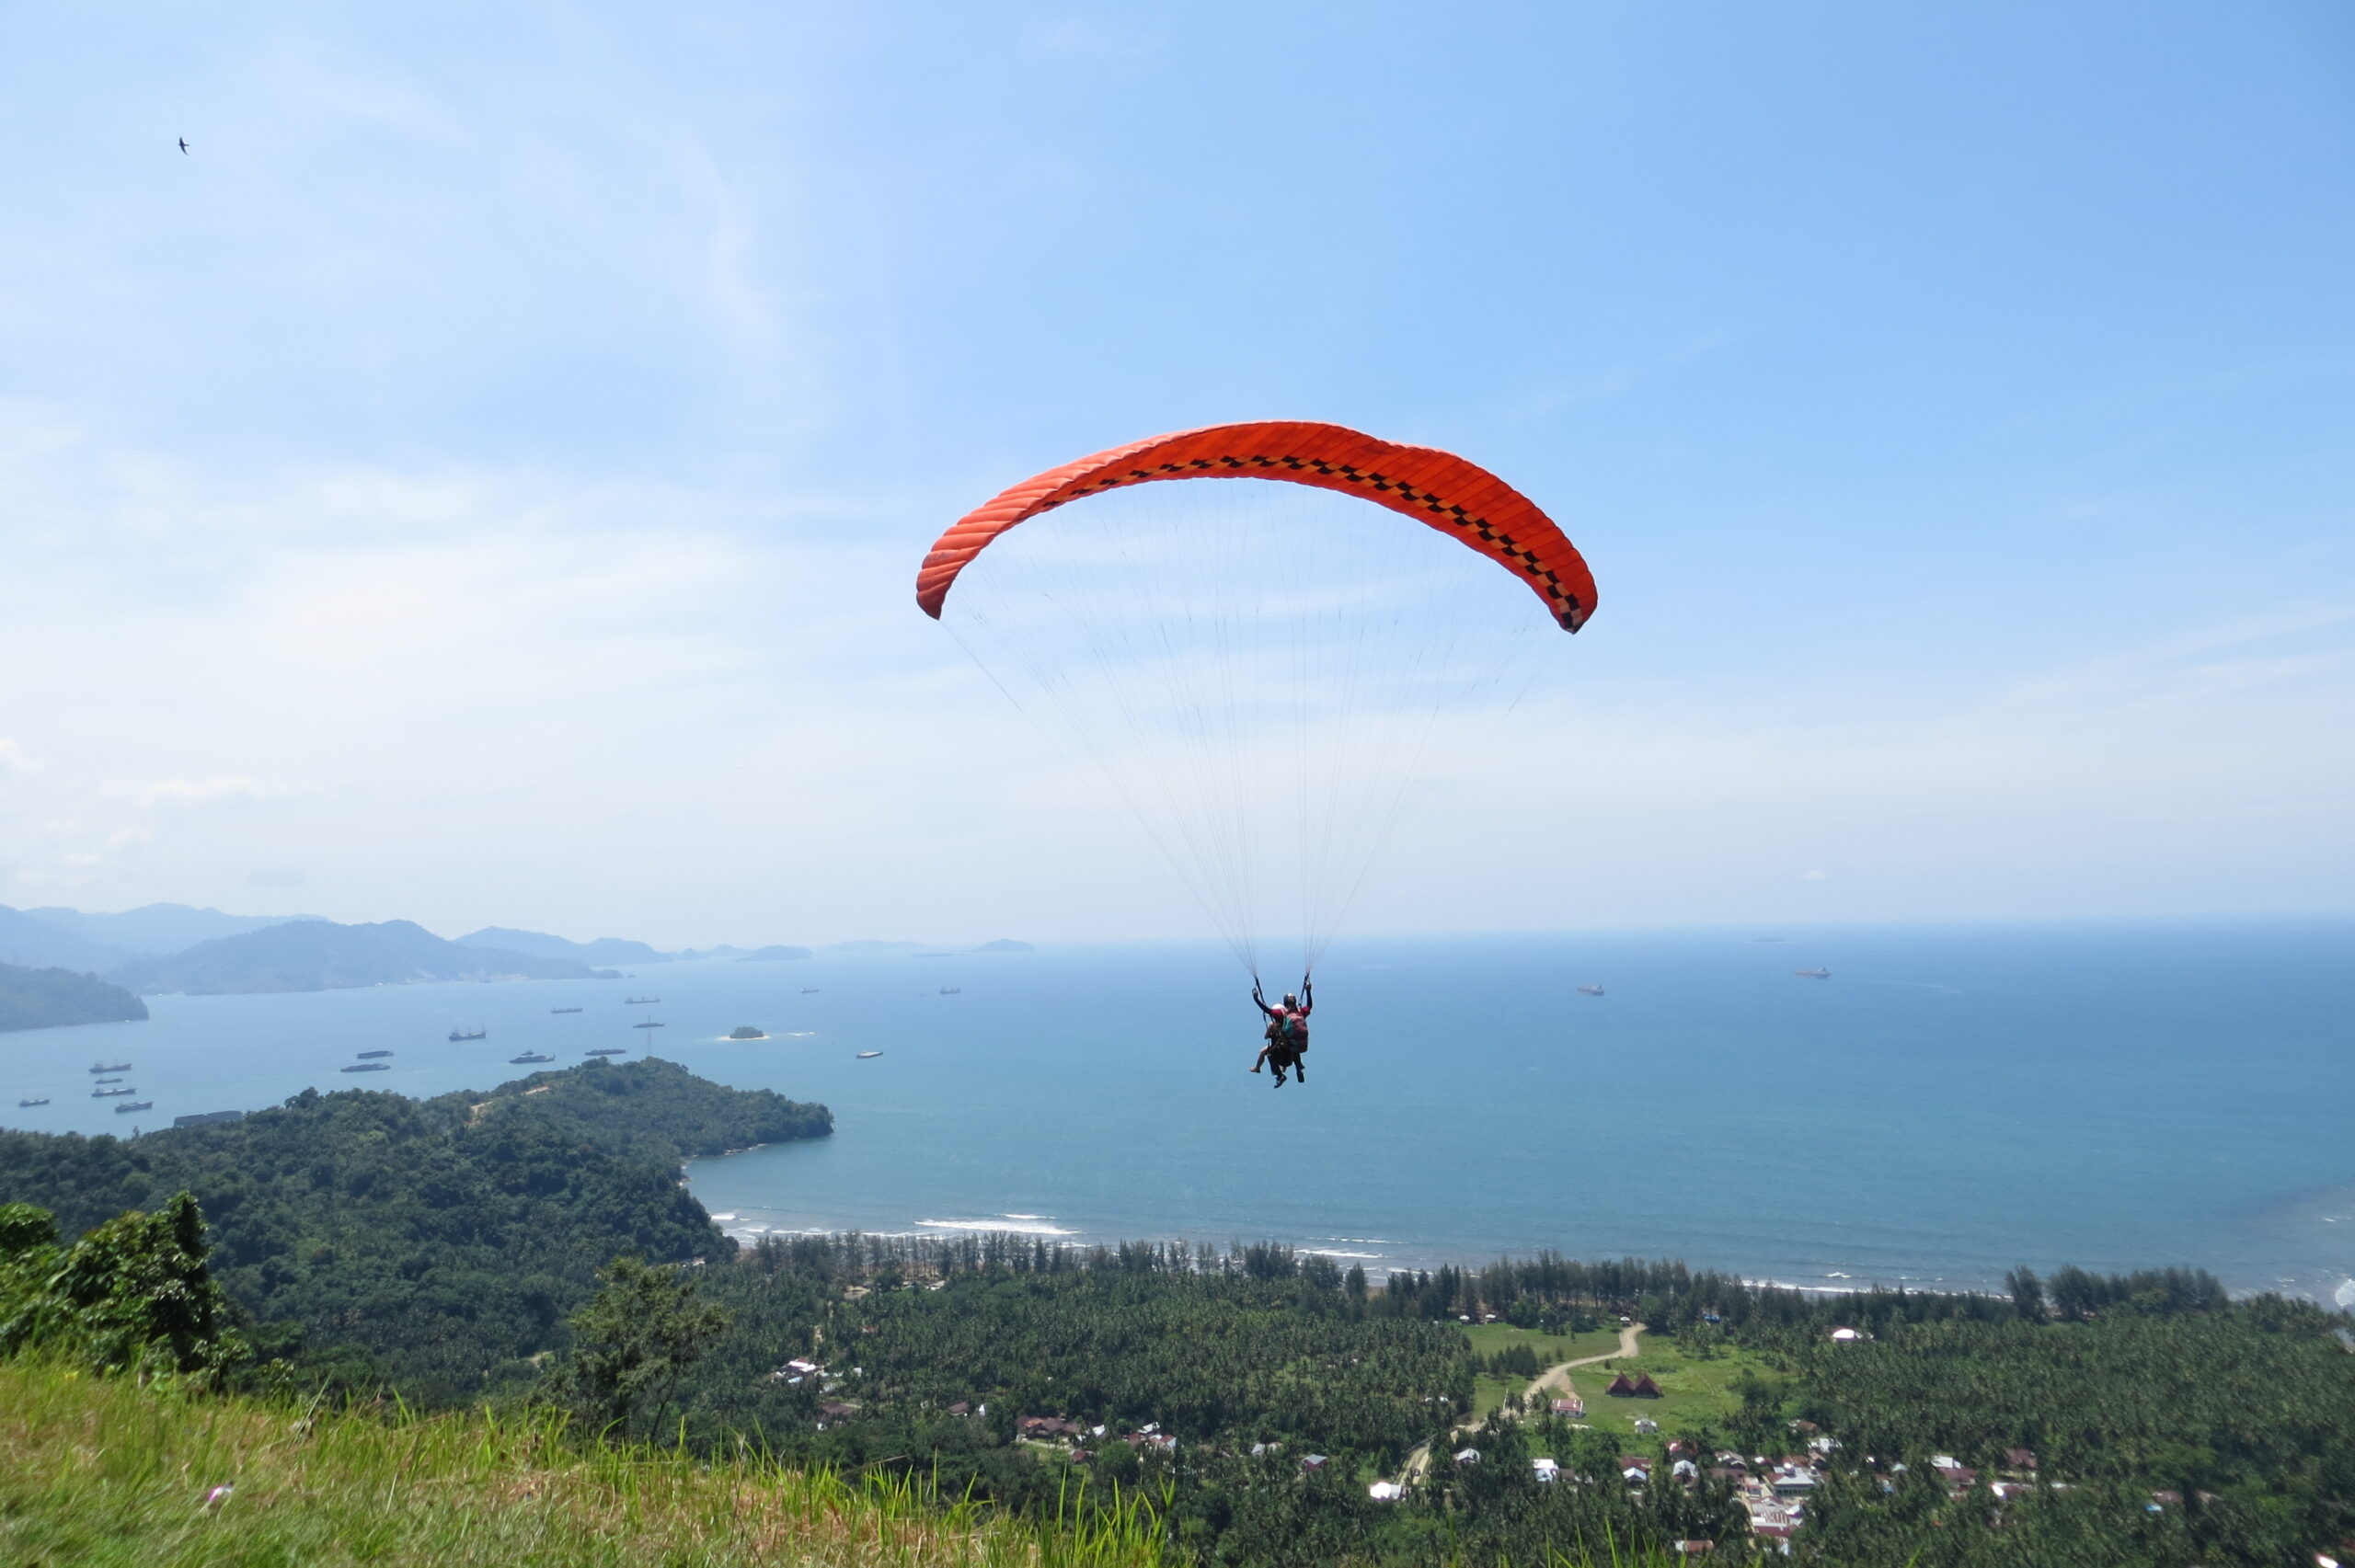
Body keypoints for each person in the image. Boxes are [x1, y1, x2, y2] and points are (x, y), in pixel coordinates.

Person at [1248, 978, 1313, 1085]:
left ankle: (1280, 1076)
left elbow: (1267, 1010)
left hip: (1283, 1048)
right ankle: (1299, 1068)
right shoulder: (1301, 1012)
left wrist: (1256, 999)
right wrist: (1308, 991)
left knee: (1269, 1054)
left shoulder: (1280, 1015)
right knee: (1294, 1046)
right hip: (1294, 1049)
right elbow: (1309, 1006)